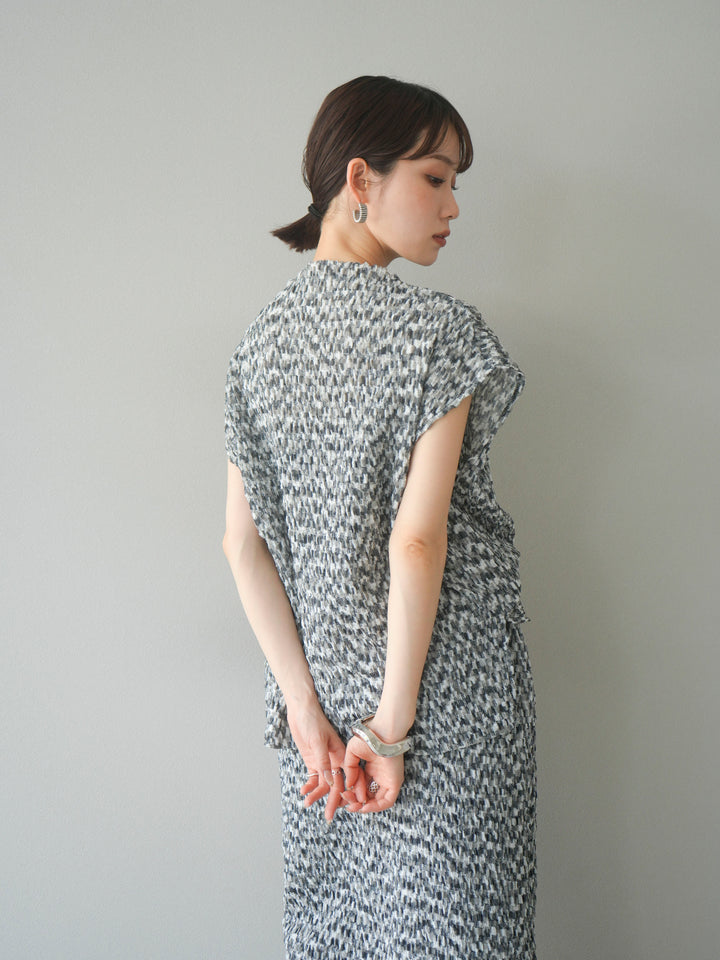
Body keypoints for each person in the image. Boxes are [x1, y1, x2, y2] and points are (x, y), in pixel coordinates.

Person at [223, 76, 536, 960]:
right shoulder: (440, 334)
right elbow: (418, 540)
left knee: (342, 936)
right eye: (436, 178)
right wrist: (391, 731)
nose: (453, 206)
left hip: (324, 725)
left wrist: (306, 713)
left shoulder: (259, 347)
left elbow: (242, 547)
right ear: (360, 179)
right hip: (444, 703)